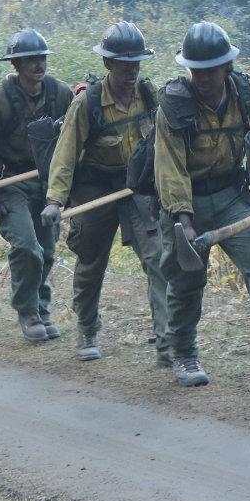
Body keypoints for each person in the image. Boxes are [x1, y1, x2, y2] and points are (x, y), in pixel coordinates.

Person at [155, 21, 250, 392]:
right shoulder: (172, 104)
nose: (203, 77)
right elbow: (170, 168)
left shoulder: (247, 95)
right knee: (186, 280)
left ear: (226, 66)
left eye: (211, 69)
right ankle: (183, 353)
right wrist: (183, 221)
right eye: (196, 70)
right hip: (186, 202)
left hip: (233, 197)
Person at [39, 22, 171, 363]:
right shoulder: (87, 103)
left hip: (136, 186)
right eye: (124, 63)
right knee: (91, 262)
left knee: (158, 259)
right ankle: (86, 329)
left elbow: (164, 143)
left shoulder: (148, 94)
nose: (132, 70)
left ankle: (167, 341)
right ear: (108, 64)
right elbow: (65, 155)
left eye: (137, 63)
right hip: (94, 188)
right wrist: (55, 201)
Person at [0, 29, 75, 343]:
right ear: (17, 65)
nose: (38, 65)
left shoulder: (61, 94)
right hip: (10, 183)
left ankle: (42, 308)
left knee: (47, 251)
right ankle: (28, 312)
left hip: (48, 183)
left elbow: (78, 131)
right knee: (27, 247)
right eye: (30, 60)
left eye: (42, 58)